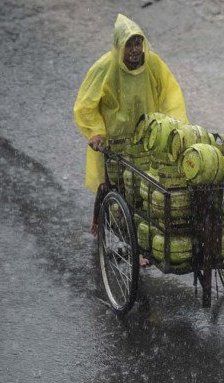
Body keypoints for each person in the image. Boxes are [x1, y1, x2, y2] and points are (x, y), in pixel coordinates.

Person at [74, 13, 188, 236]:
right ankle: (98, 221)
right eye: (129, 45)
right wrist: (96, 132)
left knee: (143, 190)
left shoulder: (152, 63)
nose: (135, 50)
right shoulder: (104, 67)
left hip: (146, 138)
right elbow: (85, 105)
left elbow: (170, 94)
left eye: (138, 43)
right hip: (114, 139)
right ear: (118, 47)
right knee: (110, 184)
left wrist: (176, 127)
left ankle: (138, 242)